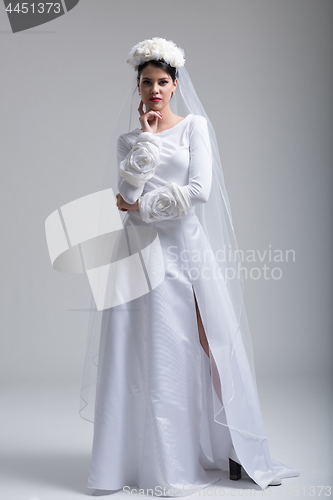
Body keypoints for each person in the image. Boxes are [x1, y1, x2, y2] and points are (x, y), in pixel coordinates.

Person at [81, 37, 300, 496]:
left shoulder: (194, 127)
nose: (155, 90)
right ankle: (145, 458)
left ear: (176, 84)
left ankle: (237, 445)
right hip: (139, 255)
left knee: (213, 343)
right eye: (147, 83)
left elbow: (197, 191)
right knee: (143, 350)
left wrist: (139, 206)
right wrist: (145, 141)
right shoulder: (129, 139)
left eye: (163, 82)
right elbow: (127, 192)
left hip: (183, 250)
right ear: (137, 87)